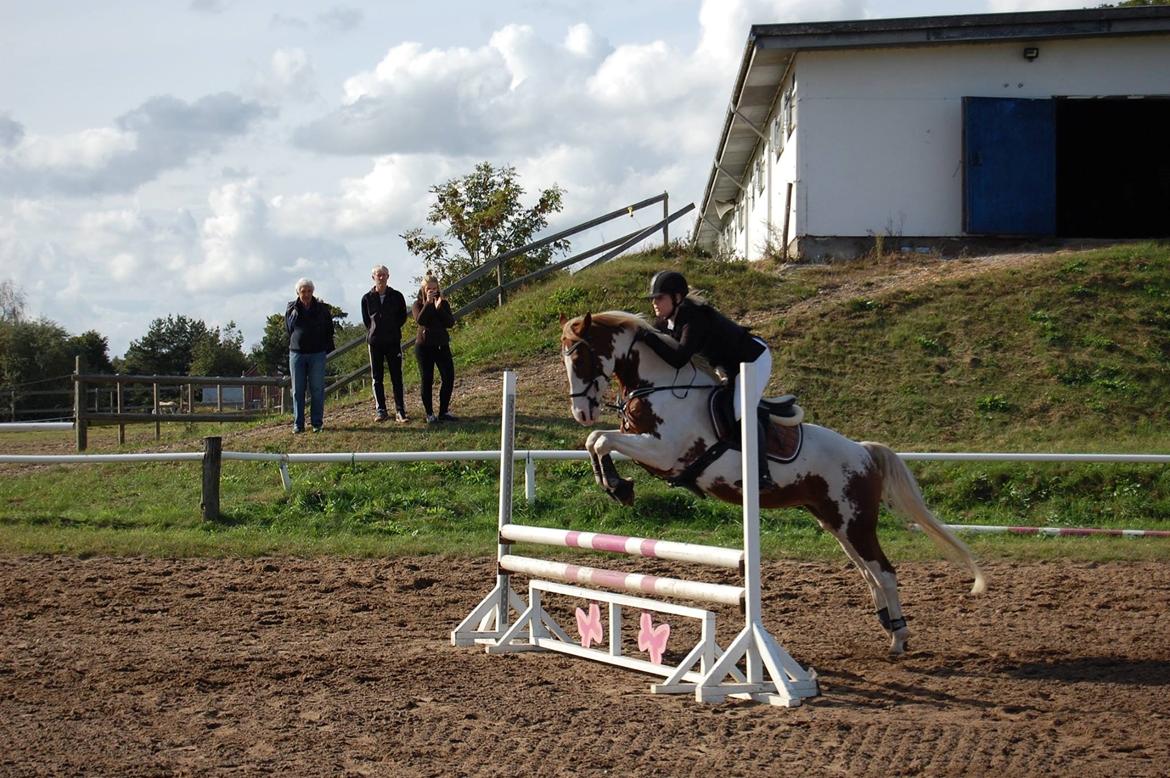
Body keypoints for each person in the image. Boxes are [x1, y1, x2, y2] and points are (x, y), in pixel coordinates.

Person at [636, 270, 776, 488]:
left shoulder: (693, 316)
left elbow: (679, 358)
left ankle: (762, 473)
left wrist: (648, 338)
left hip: (753, 360)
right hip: (729, 366)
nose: (654, 303)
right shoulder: (667, 322)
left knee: (740, 411)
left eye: (659, 297)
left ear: (677, 297)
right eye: (653, 298)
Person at [285, 277, 335, 433]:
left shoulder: (322, 309)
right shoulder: (291, 309)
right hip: (297, 353)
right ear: (298, 292)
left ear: (313, 292)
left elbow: (329, 330)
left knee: (317, 389)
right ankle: (298, 424)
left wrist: (325, 348)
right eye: (303, 291)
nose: (306, 294)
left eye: (309, 291)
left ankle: (317, 423)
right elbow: (288, 329)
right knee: (297, 390)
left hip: (317, 353)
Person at [361, 264, 409, 422]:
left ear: (388, 276)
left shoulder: (397, 296)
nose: (381, 277)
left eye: (383, 275)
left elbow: (402, 316)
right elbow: (367, 320)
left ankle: (400, 410)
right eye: (378, 275)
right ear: (373, 277)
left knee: (397, 376)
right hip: (375, 342)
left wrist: (391, 328)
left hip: (393, 340)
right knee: (377, 377)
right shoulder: (366, 298)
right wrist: (375, 330)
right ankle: (381, 410)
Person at [411, 273, 457, 424]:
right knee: (427, 379)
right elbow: (421, 320)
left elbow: (450, 323)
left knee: (448, 377)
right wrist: (428, 304)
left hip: (441, 345)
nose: (432, 291)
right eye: (429, 289)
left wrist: (439, 309)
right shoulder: (417, 305)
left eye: (434, 288)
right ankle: (429, 413)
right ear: (423, 289)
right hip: (424, 347)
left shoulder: (443, 303)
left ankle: (444, 411)